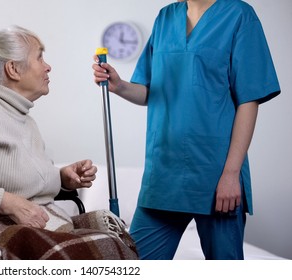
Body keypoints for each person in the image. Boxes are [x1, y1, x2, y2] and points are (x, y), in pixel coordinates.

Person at [0, 25, 137, 260]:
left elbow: (20, 178)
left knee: (115, 237)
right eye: (39, 56)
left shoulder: (23, 120)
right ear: (13, 69)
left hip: (26, 220)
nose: (48, 66)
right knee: (93, 251)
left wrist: (63, 177)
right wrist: (8, 203)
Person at [92, 0, 280, 260]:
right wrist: (119, 84)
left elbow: (249, 99)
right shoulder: (165, 17)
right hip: (163, 174)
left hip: (214, 174)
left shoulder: (239, 15)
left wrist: (231, 173)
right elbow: (150, 90)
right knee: (134, 264)